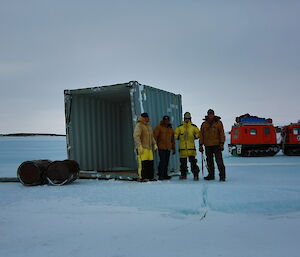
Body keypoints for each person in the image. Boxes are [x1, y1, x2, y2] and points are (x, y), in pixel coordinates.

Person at [199, 109, 226, 181]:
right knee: (209, 161)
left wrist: (222, 143)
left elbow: (222, 133)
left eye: (211, 114)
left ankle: (222, 176)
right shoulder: (204, 124)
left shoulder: (218, 123)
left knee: (219, 161)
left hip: (217, 145)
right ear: (207, 115)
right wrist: (200, 145)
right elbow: (201, 135)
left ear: (213, 115)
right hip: (207, 145)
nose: (210, 115)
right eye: (209, 114)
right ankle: (211, 175)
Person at [174, 112, 200, 180]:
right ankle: (183, 175)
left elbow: (198, 134)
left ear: (190, 119)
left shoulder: (193, 127)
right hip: (183, 149)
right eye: (186, 118)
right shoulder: (180, 127)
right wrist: (179, 136)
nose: (187, 120)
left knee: (193, 163)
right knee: (183, 164)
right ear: (184, 118)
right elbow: (175, 135)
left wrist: (195, 136)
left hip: (191, 149)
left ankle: (196, 175)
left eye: (188, 118)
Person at [133, 112, 158, 181]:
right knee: (143, 163)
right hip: (142, 148)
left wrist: (154, 144)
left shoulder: (148, 126)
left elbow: (151, 136)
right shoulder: (139, 125)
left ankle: (150, 177)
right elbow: (136, 136)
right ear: (144, 118)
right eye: (147, 117)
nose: (148, 118)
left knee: (150, 163)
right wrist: (139, 146)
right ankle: (143, 177)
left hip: (149, 148)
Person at [153, 115, 175, 180]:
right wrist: (155, 146)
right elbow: (155, 137)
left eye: (167, 120)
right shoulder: (159, 127)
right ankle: (160, 175)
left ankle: (165, 175)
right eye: (165, 120)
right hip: (161, 147)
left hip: (168, 148)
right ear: (163, 120)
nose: (166, 121)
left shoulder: (170, 129)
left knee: (166, 162)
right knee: (162, 161)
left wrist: (173, 148)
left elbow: (172, 139)